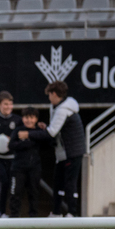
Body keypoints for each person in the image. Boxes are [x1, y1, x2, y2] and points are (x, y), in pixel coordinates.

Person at [42, 80, 86, 217]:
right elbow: (53, 129)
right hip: (62, 153)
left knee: (70, 184)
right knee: (58, 183)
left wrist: (30, 134)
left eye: (49, 95)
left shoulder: (63, 110)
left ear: (54, 94)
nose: (49, 98)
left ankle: (72, 214)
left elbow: (52, 132)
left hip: (72, 153)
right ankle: (56, 212)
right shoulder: (56, 107)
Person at [9, 107, 49, 217]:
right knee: (15, 193)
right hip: (18, 168)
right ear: (22, 118)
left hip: (34, 168)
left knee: (34, 194)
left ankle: (33, 220)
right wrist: (27, 143)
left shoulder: (39, 131)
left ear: (36, 119)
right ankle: (13, 220)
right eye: (26, 117)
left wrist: (43, 129)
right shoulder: (18, 131)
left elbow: (49, 141)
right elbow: (11, 145)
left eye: (31, 118)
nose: (29, 120)